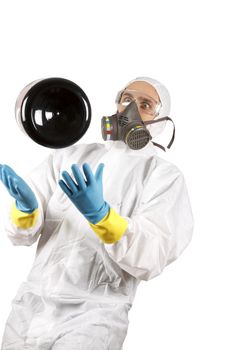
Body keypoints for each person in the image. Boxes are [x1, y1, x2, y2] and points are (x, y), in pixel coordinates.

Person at [0, 77, 194, 350]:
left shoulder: (162, 176)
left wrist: (102, 216)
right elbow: (20, 236)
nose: (131, 109)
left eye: (145, 104)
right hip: (31, 307)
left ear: (161, 121)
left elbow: (153, 253)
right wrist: (26, 210)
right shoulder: (70, 156)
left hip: (94, 317)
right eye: (127, 99)